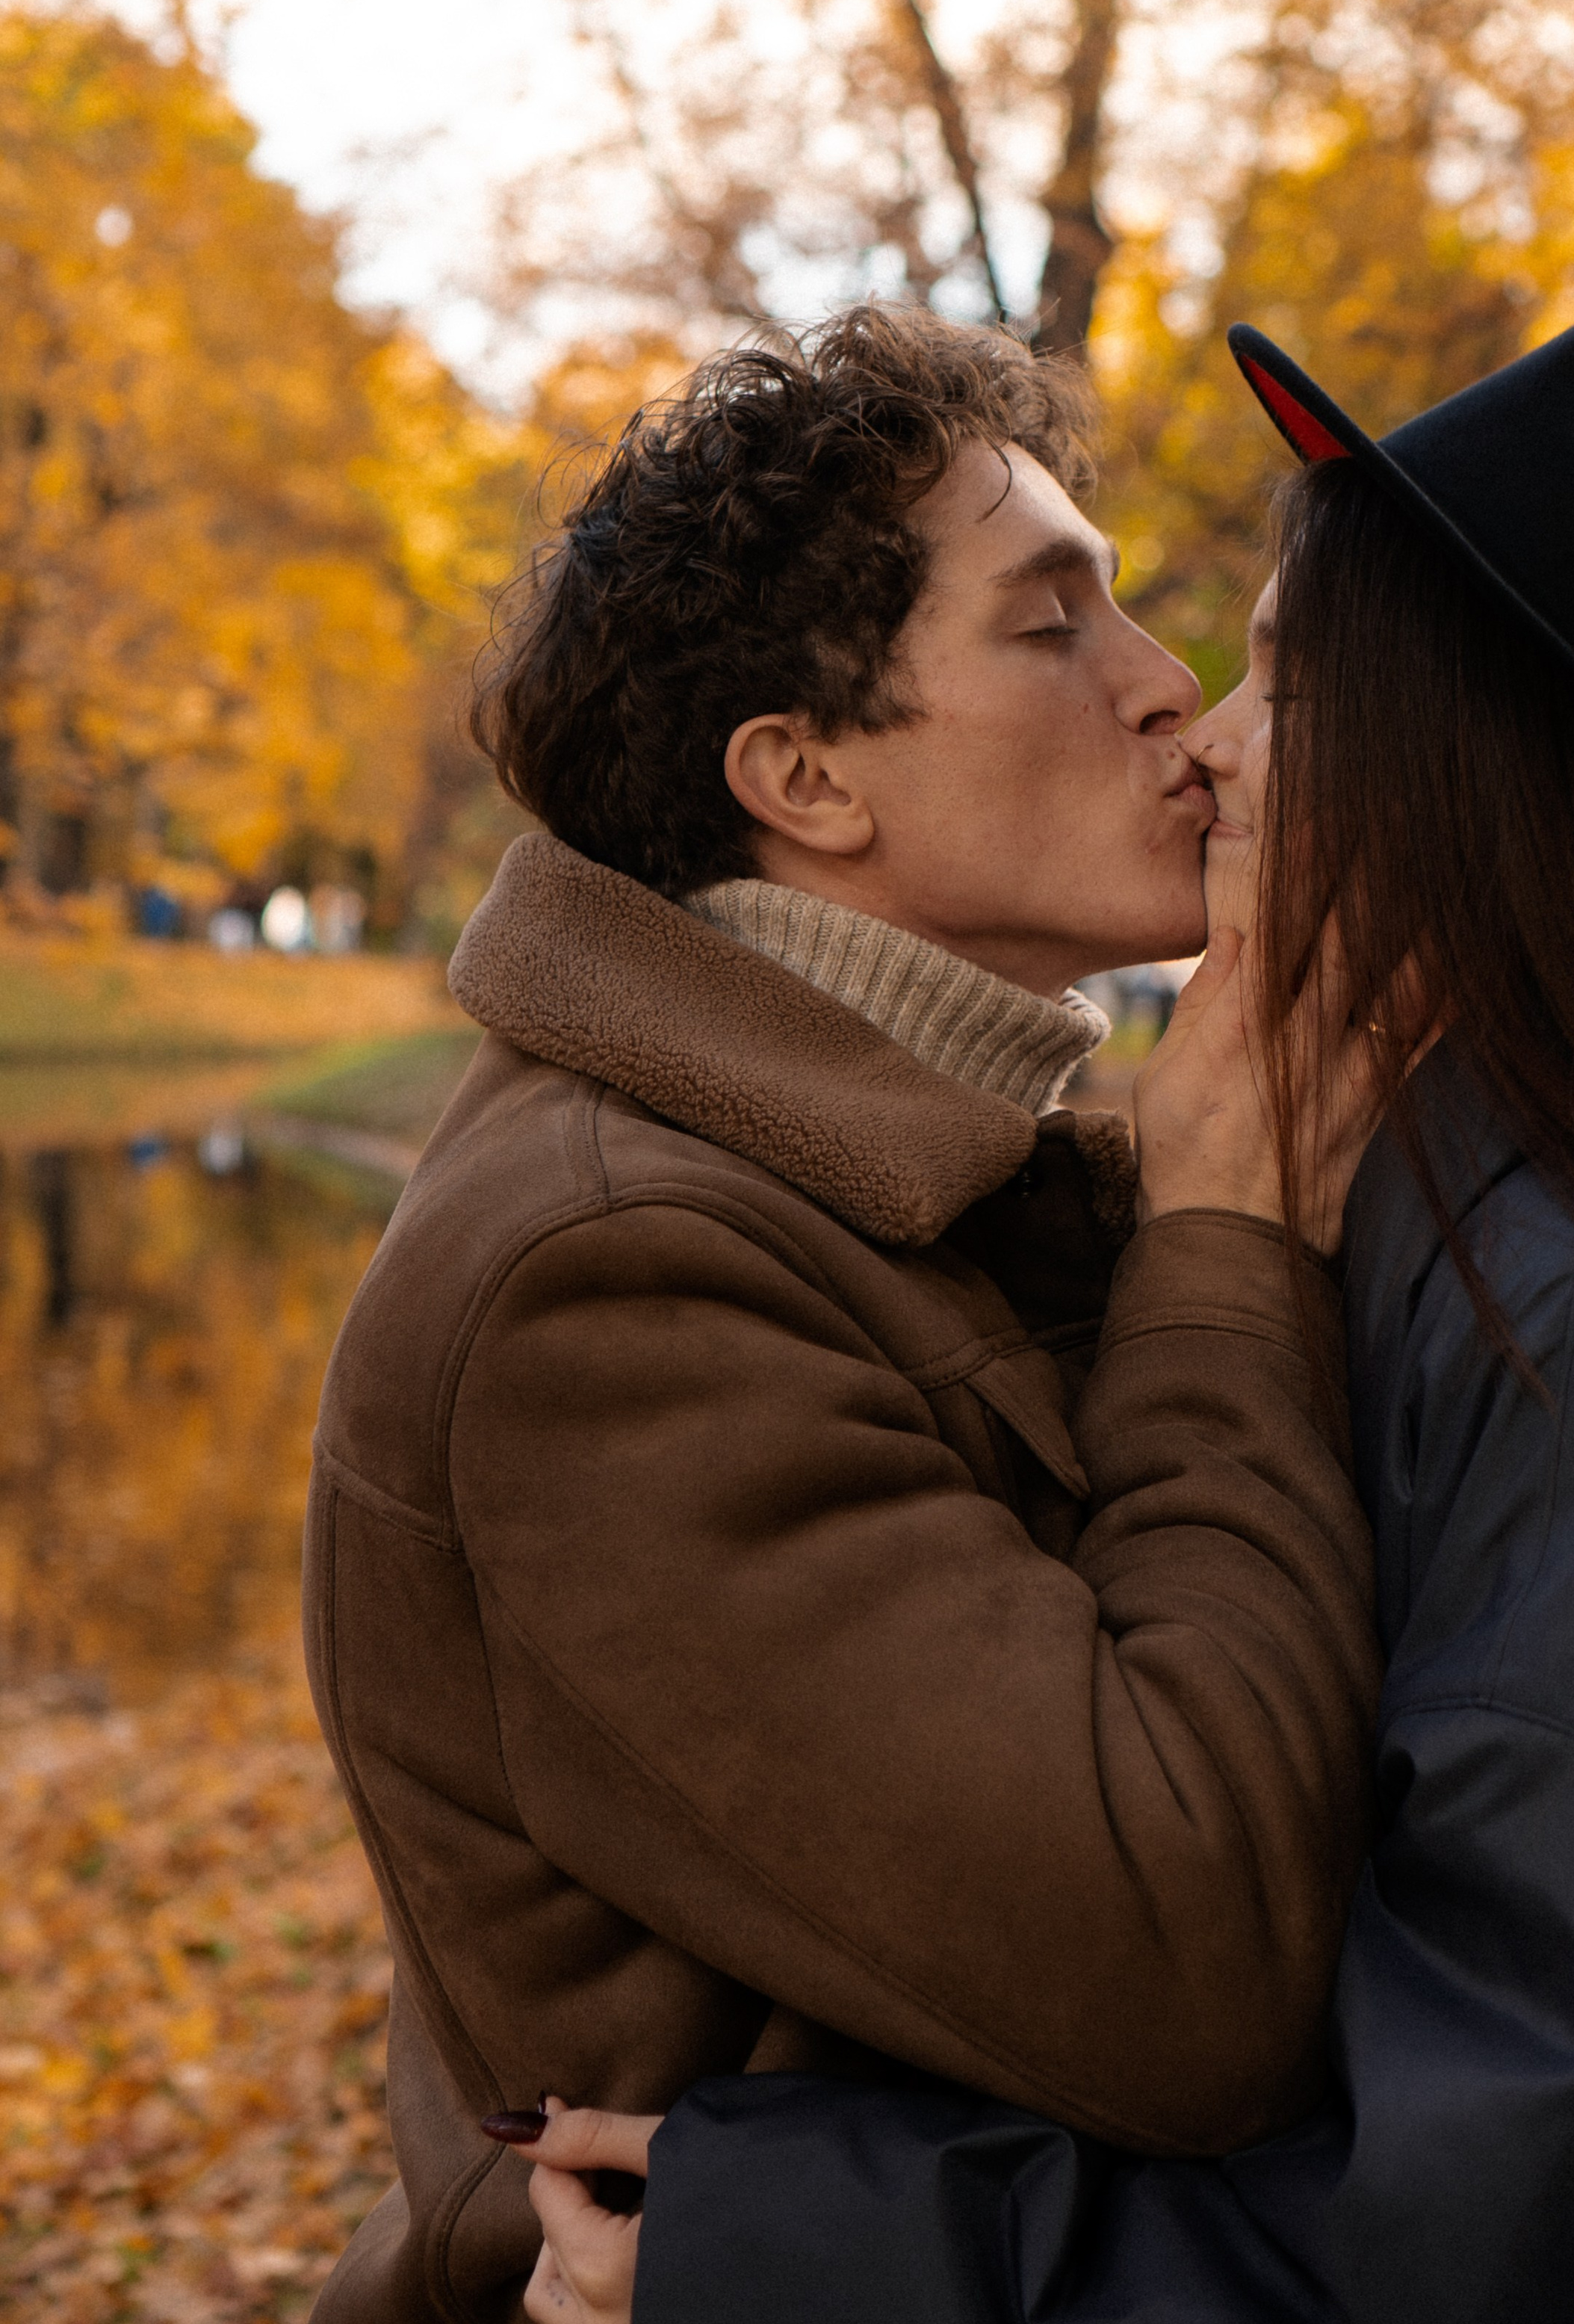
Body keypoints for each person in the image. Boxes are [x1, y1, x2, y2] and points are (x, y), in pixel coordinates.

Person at [517, 310, 1574, 2324]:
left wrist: (791, 2244)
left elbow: (1517, 2231)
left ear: (1472, 754)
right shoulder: (1461, 1218)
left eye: (1288, 672)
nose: (1210, 728)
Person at [302, 304, 1390, 2324]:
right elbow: (1180, 1964)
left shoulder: (921, 1172)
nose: (1171, 694)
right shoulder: (608, 1282)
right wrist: (1225, 1251)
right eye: (1052, 625)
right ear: (803, 778)